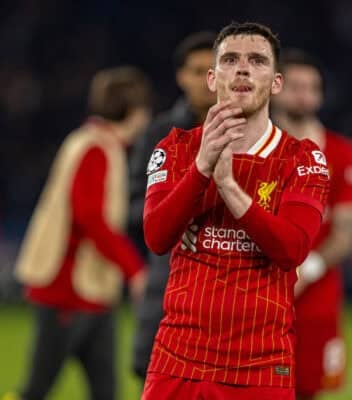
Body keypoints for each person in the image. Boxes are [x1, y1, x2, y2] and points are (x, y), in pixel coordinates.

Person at [140, 22, 330, 400]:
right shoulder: (175, 148)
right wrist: (200, 170)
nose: (242, 69)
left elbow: (292, 249)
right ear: (212, 78)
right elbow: (157, 237)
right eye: (230, 59)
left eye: (257, 60)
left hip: (259, 366)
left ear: (276, 83)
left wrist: (228, 186)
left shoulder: (303, 158)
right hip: (178, 358)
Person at [5, 66, 151, 400]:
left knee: (104, 392)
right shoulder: (97, 148)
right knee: (37, 388)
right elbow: (90, 219)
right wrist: (134, 270)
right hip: (69, 288)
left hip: (93, 291)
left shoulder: (91, 142)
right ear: (132, 110)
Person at [271, 48, 352, 400]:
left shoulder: (343, 154)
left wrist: (307, 269)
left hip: (315, 299)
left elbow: (347, 233)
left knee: (307, 389)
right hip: (259, 293)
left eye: (313, 87)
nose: (305, 95)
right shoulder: (250, 147)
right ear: (275, 87)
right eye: (296, 85)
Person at [128, 30, 217, 380]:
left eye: (213, 71)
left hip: (229, 286)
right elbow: (134, 207)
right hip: (170, 281)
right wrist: (184, 209)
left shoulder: (251, 132)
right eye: (197, 71)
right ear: (181, 76)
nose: (207, 81)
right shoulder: (159, 135)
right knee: (156, 376)